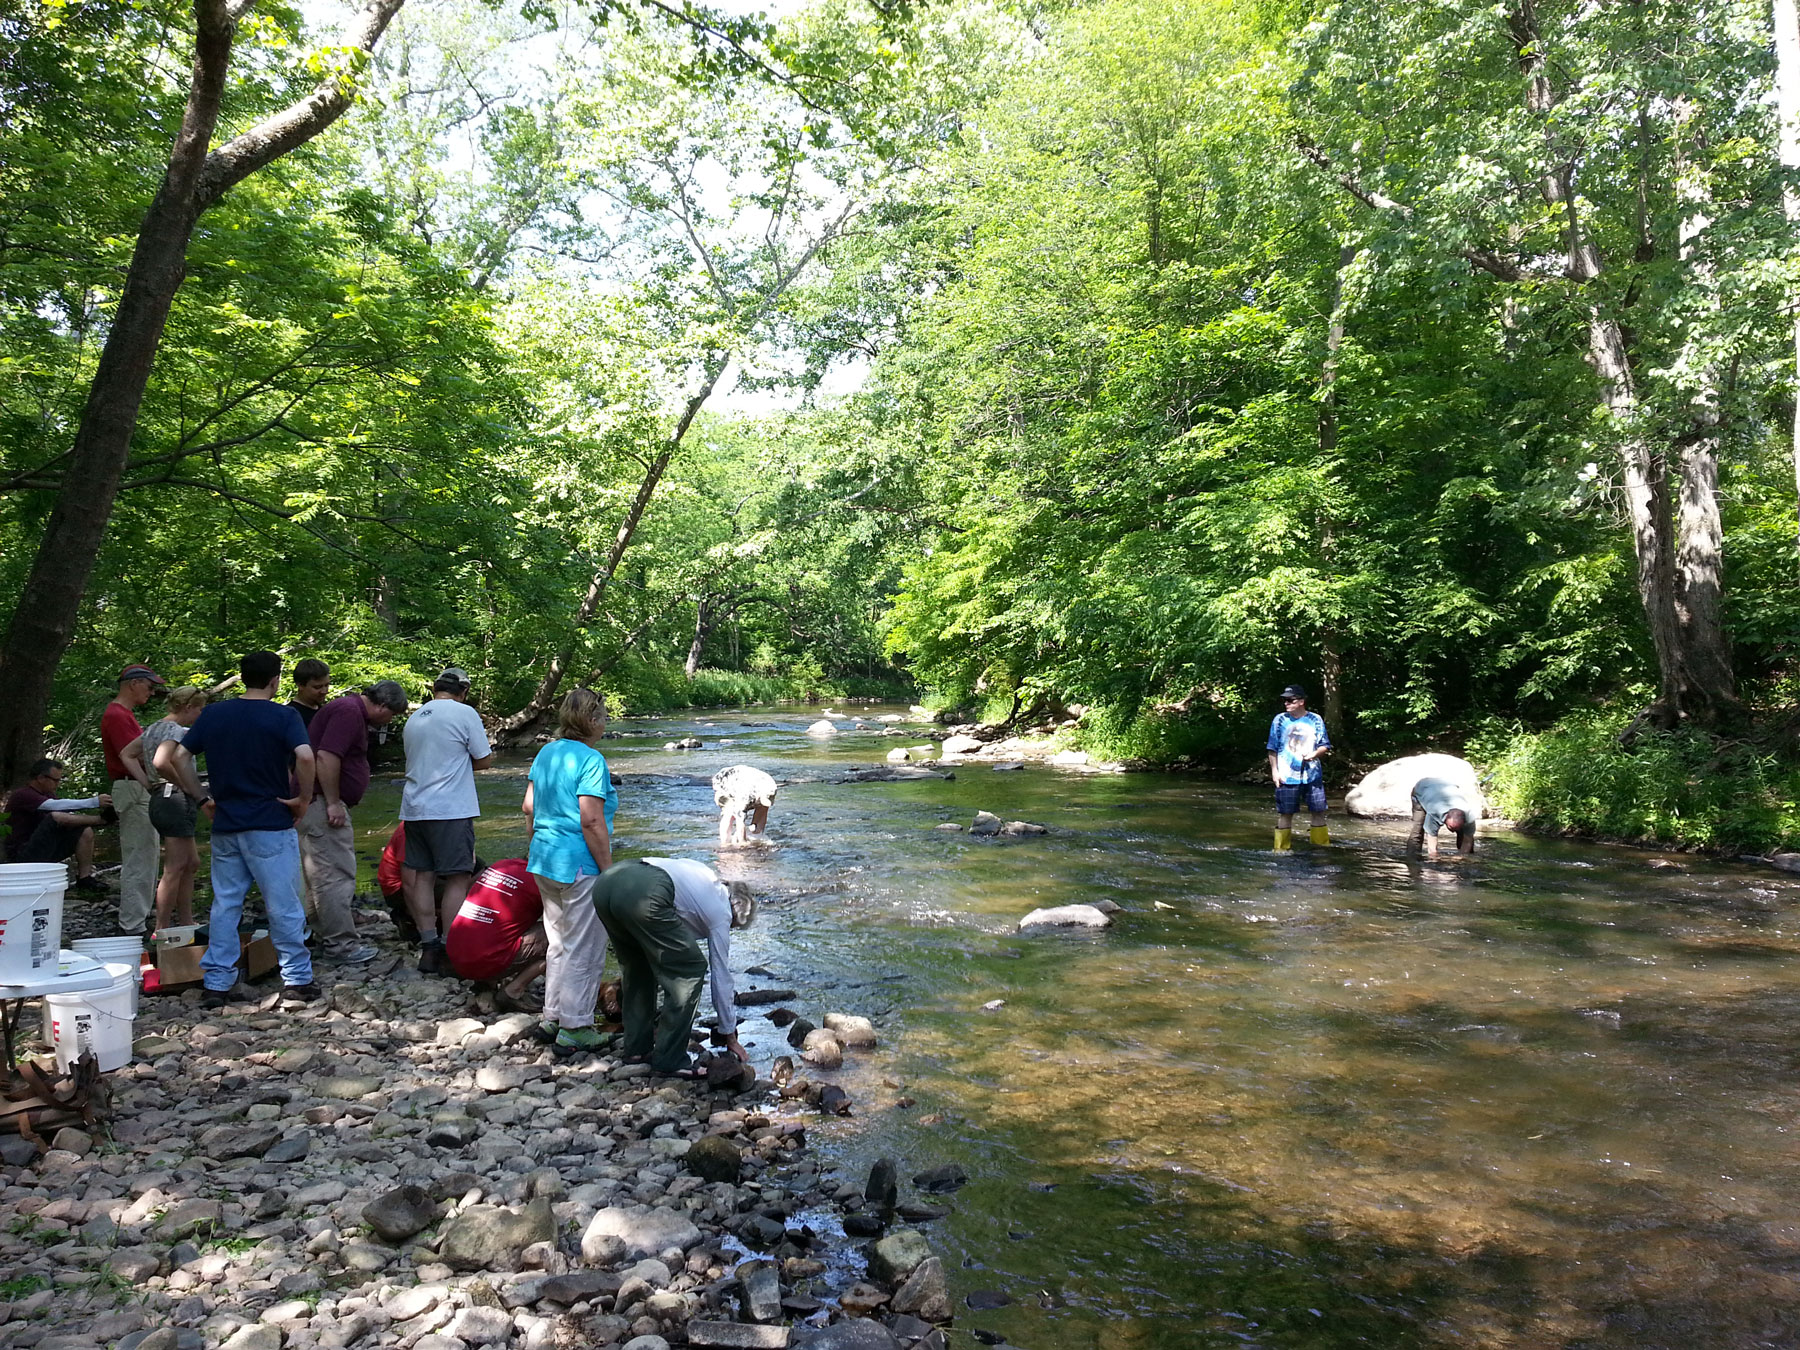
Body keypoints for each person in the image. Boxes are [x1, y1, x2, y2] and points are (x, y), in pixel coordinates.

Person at [156, 650, 319, 1011]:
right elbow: (306, 756)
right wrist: (303, 799)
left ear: (243, 677)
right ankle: (297, 979)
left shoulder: (214, 713)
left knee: (226, 903)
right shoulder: (283, 715)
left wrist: (201, 798)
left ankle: (217, 981)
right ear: (275, 680)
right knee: (283, 903)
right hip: (270, 821)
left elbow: (179, 757)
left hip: (227, 821)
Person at [592, 856, 755, 1076]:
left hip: (607, 883)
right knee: (690, 969)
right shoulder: (722, 912)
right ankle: (671, 1058)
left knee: (638, 966)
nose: (730, 928)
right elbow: (721, 976)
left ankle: (636, 1050)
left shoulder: (704, 879)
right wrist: (729, 1032)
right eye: (734, 927)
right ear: (737, 913)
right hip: (645, 889)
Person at [522, 687, 616, 1053]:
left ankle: (553, 1016)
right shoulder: (591, 760)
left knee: (558, 942)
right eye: (604, 717)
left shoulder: (547, 752)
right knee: (585, 946)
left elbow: (529, 806)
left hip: (544, 859)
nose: (605, 723)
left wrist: (535, 844)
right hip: (579, 864)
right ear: (592, 720)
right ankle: (575, 1027)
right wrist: (608, 871)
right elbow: (591, 821)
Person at [298, 682, 407, 964]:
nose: (389, 721)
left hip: (313, 803)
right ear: (382, 706)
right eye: (391, 715)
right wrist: (333, 801)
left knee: (317, 875)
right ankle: (342, 945)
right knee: (336, 875)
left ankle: (322, 934)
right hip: (322, 803)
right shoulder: (348, 712)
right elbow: (326, 756)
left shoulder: (346, 709)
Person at [402, 667, 494, 973]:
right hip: (450, 809)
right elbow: (484, 759)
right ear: (463, 691)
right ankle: (449, 947)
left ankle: (428, 946)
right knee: (457, 876)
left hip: (414, 807)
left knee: (423, 875)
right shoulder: (464, 713)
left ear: (434, 688)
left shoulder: (415, 717)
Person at [119, 686, 208, 931]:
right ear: (188, 707)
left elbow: (127, 754)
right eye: (200, 709)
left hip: (163, 797)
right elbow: (161, 762)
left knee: (191, 862)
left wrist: (147, 783)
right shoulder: (174, 730)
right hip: (173, 799)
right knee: (175, 867)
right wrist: (188, 786)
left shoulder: (154, 728)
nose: (201, 714)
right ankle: (162, 928)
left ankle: (187, 921)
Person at [104, 663, 164, 933]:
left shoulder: (123, 714)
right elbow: (133, 754)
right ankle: (132, 925)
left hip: (135, 787)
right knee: (139, 857)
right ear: (133, 683)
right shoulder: (117, 715)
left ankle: (138, 917)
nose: (151, 693)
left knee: (147, 854)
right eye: (150, 687)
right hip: (132, 787)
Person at [445, 859, 548, 1011]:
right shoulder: (542, 883)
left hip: (455, 953)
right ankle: (513, 990)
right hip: (484, 960)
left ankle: (486, 983)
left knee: (495, 922)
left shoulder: (502, 865)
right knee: (563, 935)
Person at [4, 759, 111, 889]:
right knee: (55, 817)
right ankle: (101, 820)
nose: (58, 784)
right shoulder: (23, 795)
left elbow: (66, 813)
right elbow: (54, 809)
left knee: (84, 830)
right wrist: (94, 802)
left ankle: (85, 878)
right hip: (21, 856)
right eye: (55, 780)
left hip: (44, 849)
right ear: (41, 778)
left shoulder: (48, 794)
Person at [1267, 683, 1332, 851]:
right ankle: (1281, 850)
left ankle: (1321, 849)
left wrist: (1314, 754)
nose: (1286, 703)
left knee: (1318, 811)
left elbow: (1325, 745)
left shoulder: (1315, 719)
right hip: (1286, 775)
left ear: (1301, 701)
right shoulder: (1279, 720)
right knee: (1285, 813)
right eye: (1284, 700)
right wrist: (1275, 771)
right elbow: (1272, 747)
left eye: (1290, 700)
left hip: (1312, 775)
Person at [1408, 777, 1480, 859]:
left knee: (1463, 833)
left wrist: (1461, 857)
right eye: (1451, 828)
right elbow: (1432, 848)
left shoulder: (1469, 816)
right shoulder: (1434, 814)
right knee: (1418, 830)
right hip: (1422, 789)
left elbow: (1467, 841)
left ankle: (1467, 863)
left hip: (1446, 785)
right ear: (1445, 818)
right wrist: (1434, 862)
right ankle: (1412, 859)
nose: (1452, 831)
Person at [712, 765, 779, 846]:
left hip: (745, 781)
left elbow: (764, 809)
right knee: (729, 812)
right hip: (724, 781)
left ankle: (756, 834)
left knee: (763, 807)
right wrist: (743, 842)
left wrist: (757, 836)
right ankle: (725, 843)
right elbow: (740, 818)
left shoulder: (769, 785)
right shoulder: (745, 793)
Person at [288, 659, 332, 729]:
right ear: (300, 685)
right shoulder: (290, 716)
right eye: (317, 687)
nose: (324, 691)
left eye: (326, 685)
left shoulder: (325, 712)